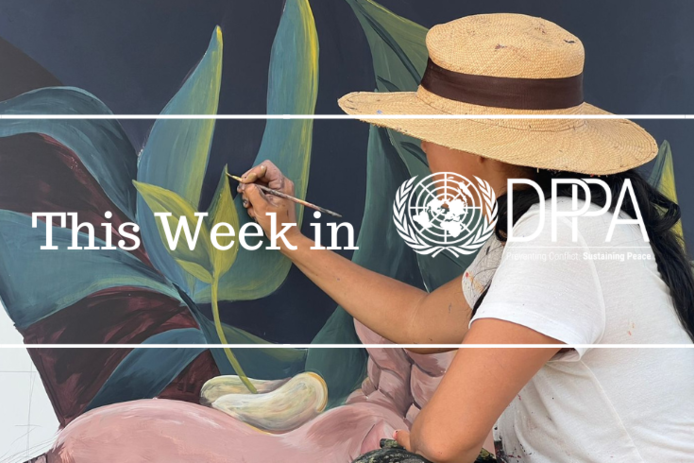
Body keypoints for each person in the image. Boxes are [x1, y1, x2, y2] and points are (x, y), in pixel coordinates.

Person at [238, 13, 694, 463]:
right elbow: (418, 321)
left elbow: (443, 441)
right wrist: (287, 235)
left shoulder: (559, 235)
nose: (423, 145)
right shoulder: (556, 221)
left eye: (431, 130)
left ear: (479, 146)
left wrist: (417, 442)